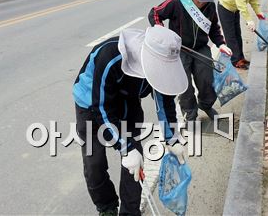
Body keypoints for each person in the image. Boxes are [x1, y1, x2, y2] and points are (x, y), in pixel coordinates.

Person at [73, 26, 188, 216]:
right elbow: (101, 108)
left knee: (135, 164)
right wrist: (125, 148)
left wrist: (172, 138)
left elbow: (165, 102)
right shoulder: (109, 55)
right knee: (94, 164)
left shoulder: (159, 68)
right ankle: (107, 207)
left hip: (128, 104)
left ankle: (130, 212)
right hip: (91, 105)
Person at [148, 0, 233, 123]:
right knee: (184, 85)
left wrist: (221, 44)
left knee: (207, 80)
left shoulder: (210, 6)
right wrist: (161, 32)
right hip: (179, 50)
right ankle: (190, 114)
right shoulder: (177, 1)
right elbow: (155, 14)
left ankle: (205, 105)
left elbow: (213, 28)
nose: (202, 2)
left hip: (201, 48)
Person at [217, 0, 268, 70]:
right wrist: (249, 20)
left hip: (235, 9)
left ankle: (240, 57)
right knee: (231, 36)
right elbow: (241, 2)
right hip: (225, 7)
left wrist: (258, 13)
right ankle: (235, 61)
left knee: (238, 34)